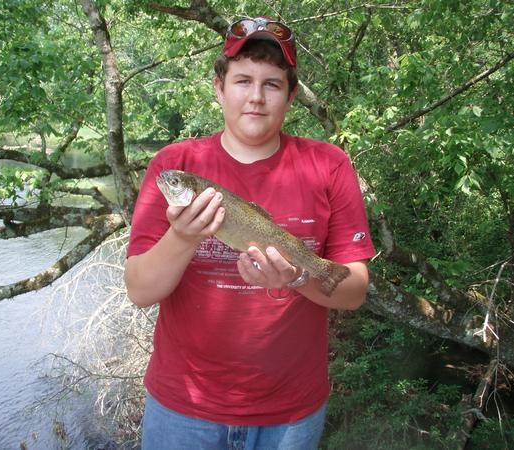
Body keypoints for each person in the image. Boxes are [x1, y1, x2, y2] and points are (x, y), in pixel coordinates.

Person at [125, 16, 376, 450]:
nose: (256, 97)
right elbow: (140, 291)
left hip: (290, 415)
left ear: (291, 95)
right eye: (242, 80)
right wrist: (183, 237)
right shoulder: (172, 162)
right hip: (183, 408)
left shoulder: (330, 165)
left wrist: (298, 278)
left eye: (272, 84)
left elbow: (352, 293)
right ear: (219, 88)